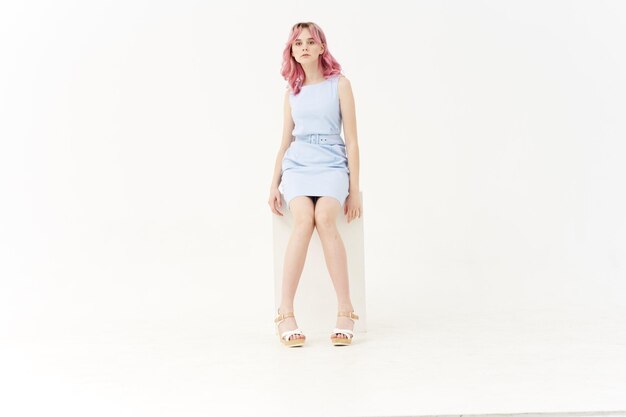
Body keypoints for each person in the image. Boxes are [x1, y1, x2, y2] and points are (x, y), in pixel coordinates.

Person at [268, 22, 363, 347]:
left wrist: (354, 189)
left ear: (322, 48)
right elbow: (284, 142)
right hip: (298, 164)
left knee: (325, 217)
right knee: (303, 219)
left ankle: (346, 309)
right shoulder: (292, 93)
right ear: (292, 51)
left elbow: (351, 140)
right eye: (298, 43)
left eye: (311, 42)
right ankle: (285, 311)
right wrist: (273, 184)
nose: (304, 47)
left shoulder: (340, 85)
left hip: (332, 162)